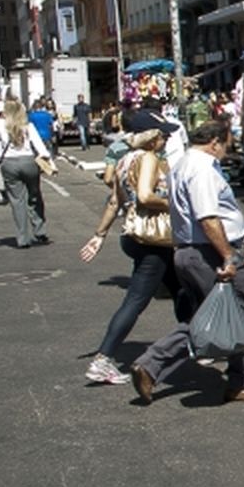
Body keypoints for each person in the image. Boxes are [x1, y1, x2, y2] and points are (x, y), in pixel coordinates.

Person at [130, 121, 244, 405]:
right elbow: (207, 217)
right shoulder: (202, 169)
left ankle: (151, 365)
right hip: (208, 252)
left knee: (204, 319)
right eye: (227, 144)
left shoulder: (182, 164)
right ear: (215, 142)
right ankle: (239, 381)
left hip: (188, 251)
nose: (227, 150)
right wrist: (227, 256)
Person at [79, 119, 192, 385]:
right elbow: (144, 196)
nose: (166, 141)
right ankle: (103, 358)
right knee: (136, 300)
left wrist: (99, 234)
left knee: (180, 288)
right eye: (163, 136)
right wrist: (175, 204)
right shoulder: (149, 158)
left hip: (135, 235)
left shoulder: (124, 160)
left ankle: (193, 340)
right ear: (152, 138)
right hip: (152, 238)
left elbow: (114, 201)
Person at [0, 97, 52, 248]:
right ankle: (40, 231)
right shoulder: (28, 127)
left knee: (17, 201)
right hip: (28, 162)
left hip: (9, 165)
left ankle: (22, 238)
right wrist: (49, 161)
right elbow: (40, 147)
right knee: (35, 195)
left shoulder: (0, 126)